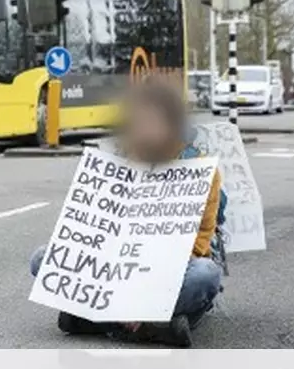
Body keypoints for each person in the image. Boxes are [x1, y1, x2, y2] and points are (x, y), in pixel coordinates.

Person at [29, 80, 223, 347]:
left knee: (206, 275)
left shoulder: (202, 170)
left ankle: (96, 320)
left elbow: (201, 241)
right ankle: (151, 326)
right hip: (114, 271)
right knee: (42, 259)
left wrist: (144, 286)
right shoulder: (117, 162)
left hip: (167, 272)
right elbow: (93, 227)